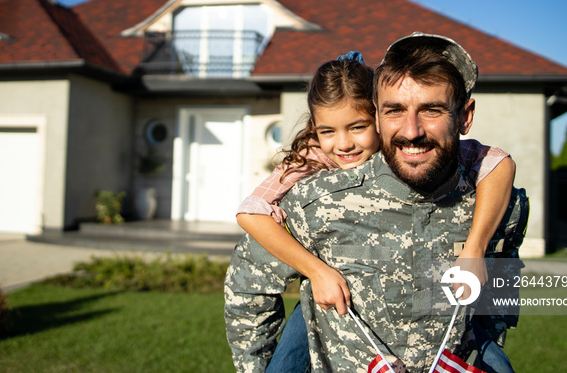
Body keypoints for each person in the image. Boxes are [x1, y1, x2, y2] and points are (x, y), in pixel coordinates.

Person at [224, 33, 527, 372]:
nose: (412, 131)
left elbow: (503, 266)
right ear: (380, 117)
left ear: (465, 116)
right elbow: (248, 271)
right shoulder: (312, 195)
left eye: (432, 109)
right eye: (395, 110)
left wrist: (478, 257)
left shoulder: (491, 198)